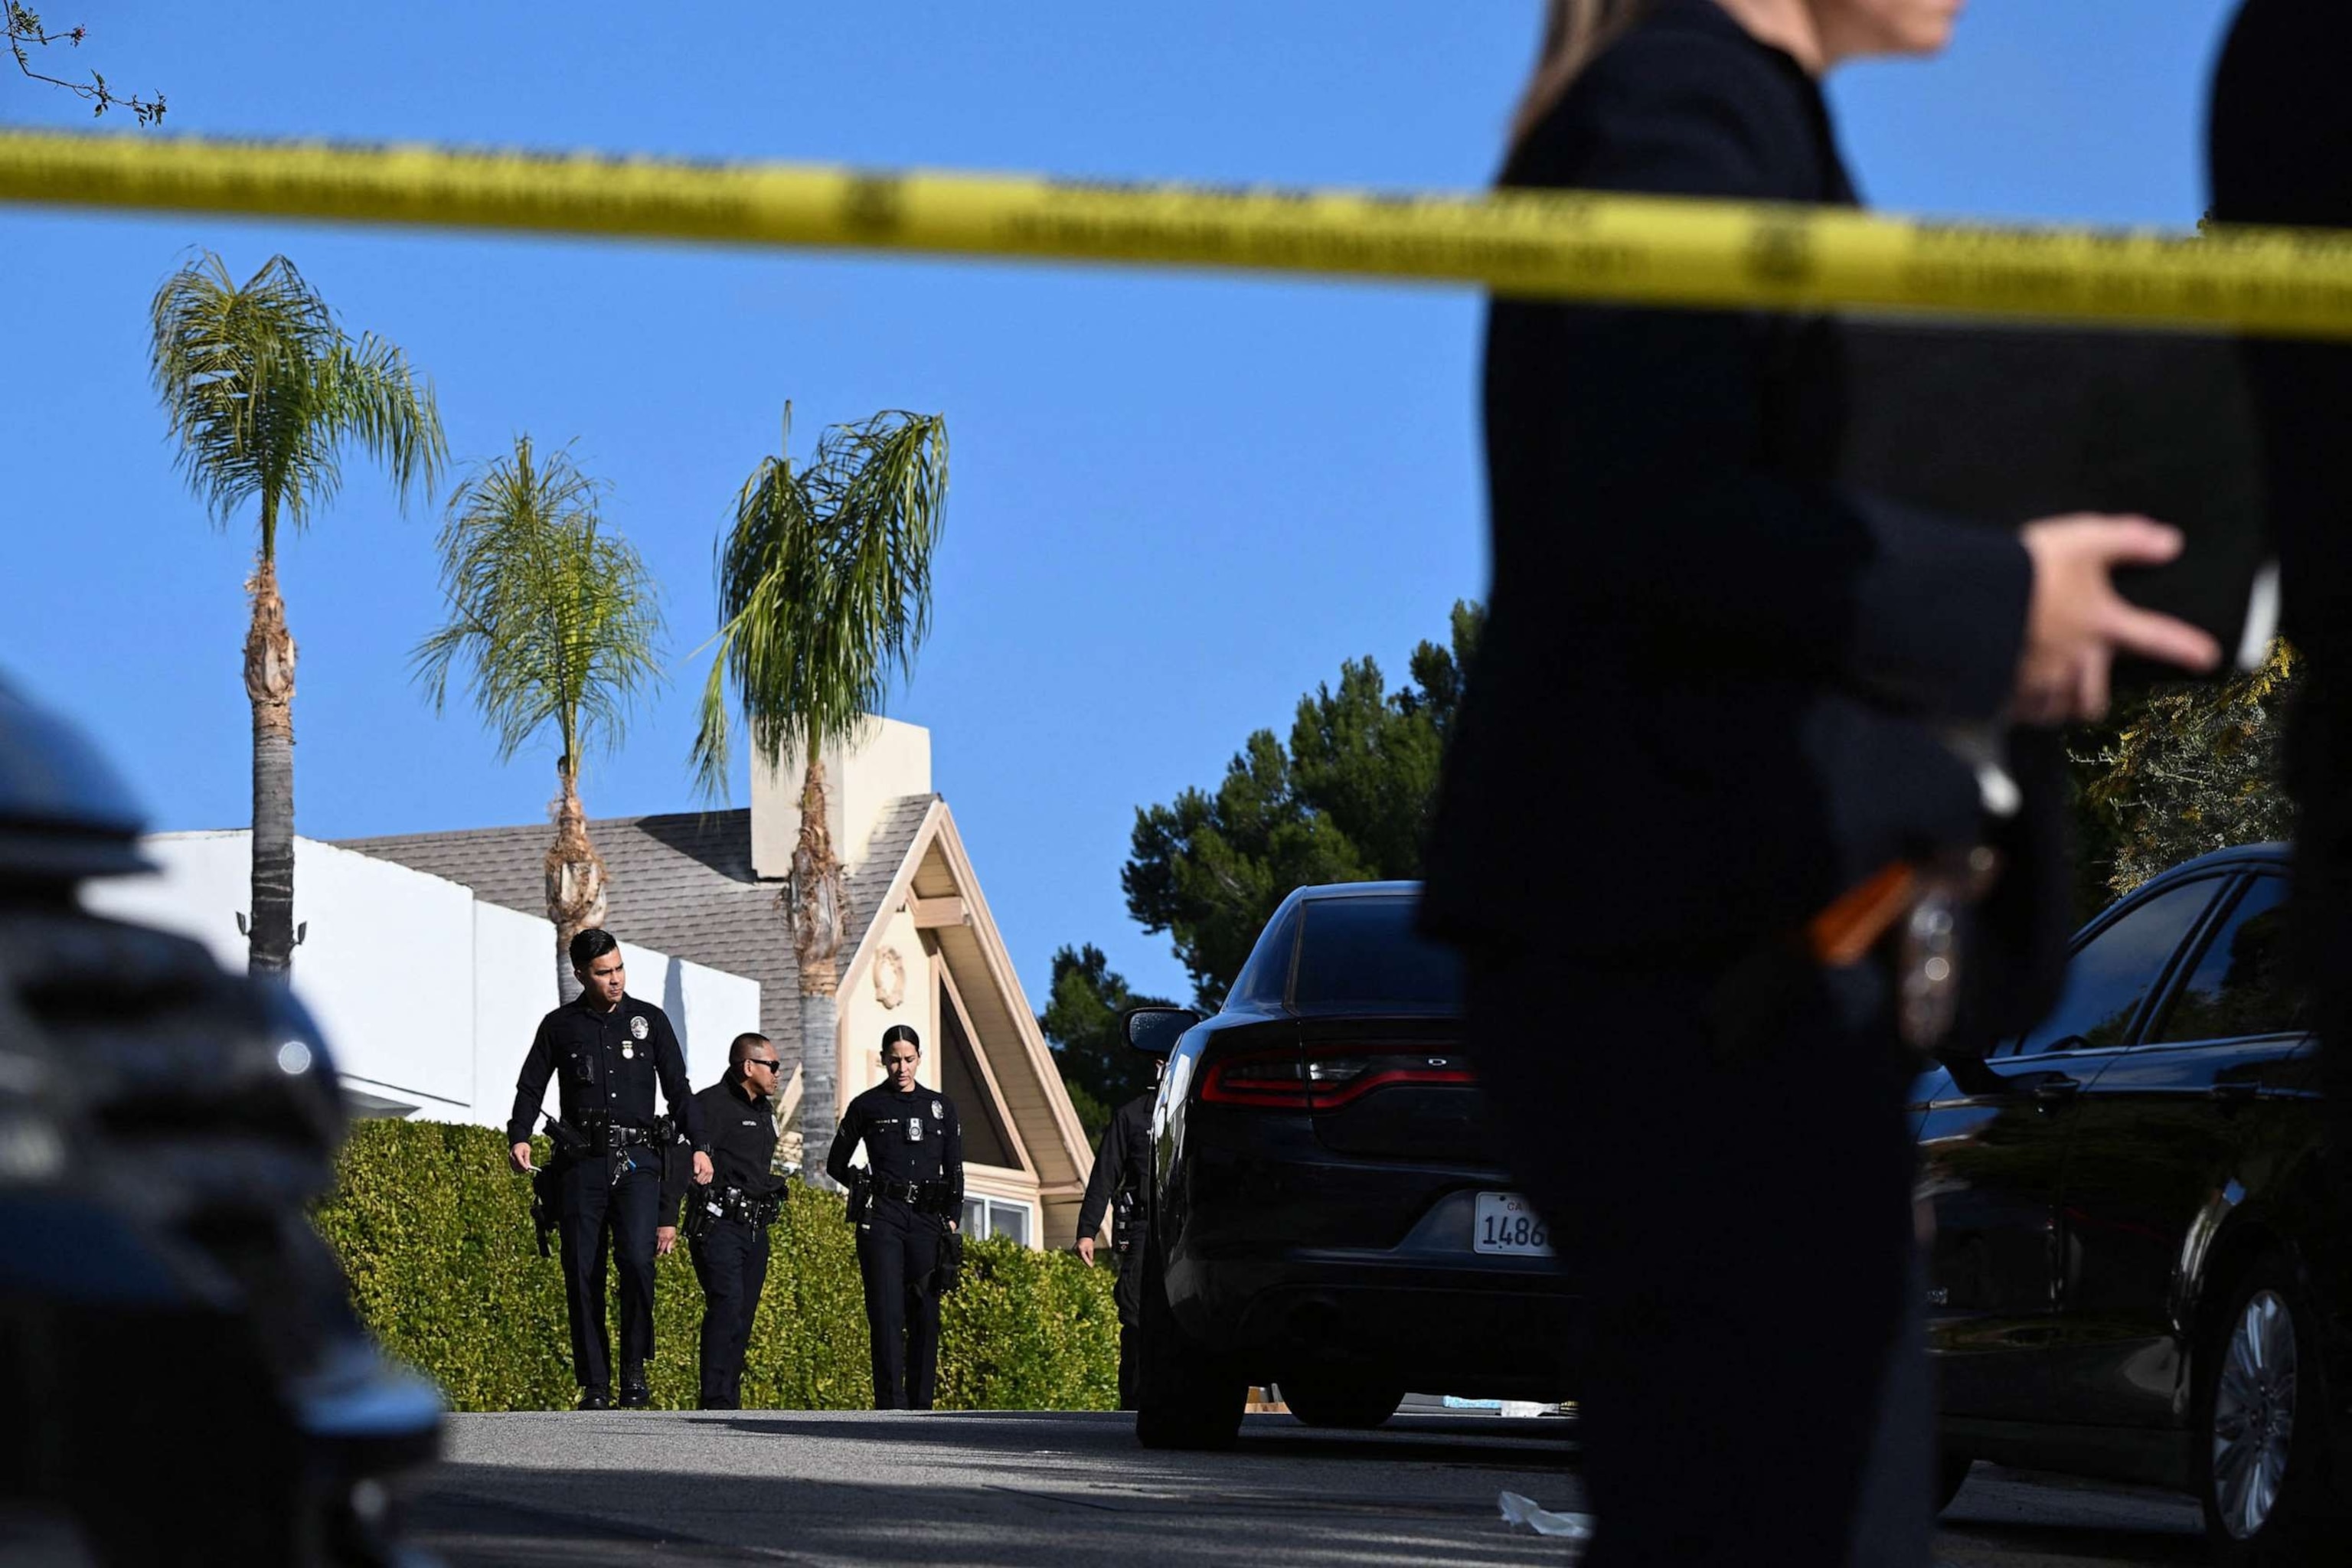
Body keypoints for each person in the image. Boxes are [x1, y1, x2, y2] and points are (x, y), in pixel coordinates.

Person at [1421, 2, 2221, 1563]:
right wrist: (1998, 599)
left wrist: (2012, 624)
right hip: (1683, 959)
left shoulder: (1718, 116)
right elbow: (1656, 509)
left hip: (1700, 956)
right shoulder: (1682, 116)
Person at [507, 929, 710, 1410]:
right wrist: (519, 1133)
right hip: (582, 1163)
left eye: (619, 969)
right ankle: (595, 1383)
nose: (615, 980)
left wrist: (700, 1145)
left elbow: (679, 1090)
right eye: (604, 973)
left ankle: (634, 1374)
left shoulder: (650, 1021)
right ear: (581, 974)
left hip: (638, 1160)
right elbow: (531, 1086)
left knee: (638, 1262)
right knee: (582, 1271)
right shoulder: (559, 1026)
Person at [826, 1024, 964, 1410]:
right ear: (883, 1060)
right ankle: (890, 1405)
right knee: (886, 1312)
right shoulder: (867, 1105)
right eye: (894, 1060)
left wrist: (952, 1217)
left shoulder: (942, 1107)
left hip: (927, 1217)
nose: (901, 1067)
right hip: (883, 1217)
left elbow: (955, 1169)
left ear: (919, 1059)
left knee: (925, 1312)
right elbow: (835, 1162)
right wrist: (862, 1186)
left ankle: (922, 1406)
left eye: (908, 1059)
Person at [661, 1032, 788, 1410]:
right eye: (773, 1066)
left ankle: (728, 1399)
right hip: (718, 1227)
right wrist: (667, 1218)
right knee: (727, 1303)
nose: (778, 1074)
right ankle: (714, 1399)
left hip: (754, 1229)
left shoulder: (765, 1111)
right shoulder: (710, 1106)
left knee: (743, 1314)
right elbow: (679, 1163)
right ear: (749, 1066)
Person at [1075, 1080, 1155, 1409]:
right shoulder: (1133, 1116)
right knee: (1134, 1311)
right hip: (1144, 1226)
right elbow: (1105, 1174)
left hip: (1190, 1227)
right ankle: (1133, 1404)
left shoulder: (1203, 1110)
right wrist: (1087, 1231)